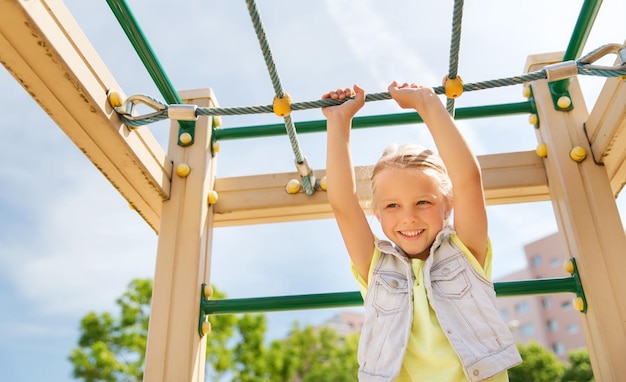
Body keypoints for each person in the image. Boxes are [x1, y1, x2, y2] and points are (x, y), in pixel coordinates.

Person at [322, 82, 522, 382]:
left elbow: (468, 179)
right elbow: (343, 205)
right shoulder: (377, 267)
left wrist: (427, 103)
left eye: (423, 202)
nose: (409, 217)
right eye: (392, 206)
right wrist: (339, 122)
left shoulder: (465, 251)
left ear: (447, 206)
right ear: (376, 213)